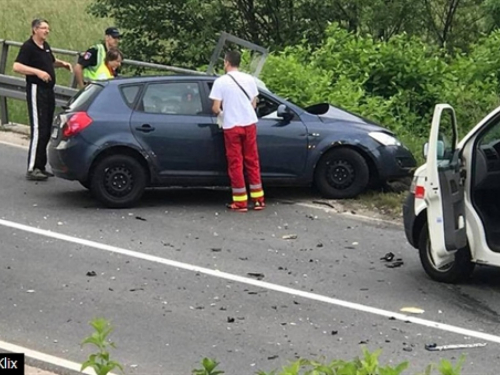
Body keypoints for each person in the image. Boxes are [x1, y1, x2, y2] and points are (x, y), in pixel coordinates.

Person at [13, 18, 73, 181]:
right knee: (38, 129)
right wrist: (37, 72)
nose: (47, 31)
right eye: (43, 28)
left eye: (48, 28)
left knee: (46, 128)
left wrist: (63, 64)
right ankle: (32, 168)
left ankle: (41, 166)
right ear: (35, 30)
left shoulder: (45, 47)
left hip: (48, 90)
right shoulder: (28, 47)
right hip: (36, 89)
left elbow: (50, 62)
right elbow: (17, 66)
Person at [209, 50, 265, 212]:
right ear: (239, 62)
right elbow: (253, 104)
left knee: (236, 163)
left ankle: (240, 202)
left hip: (232, 126)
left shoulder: (221, 82)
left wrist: (222, 114)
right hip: (249, 124)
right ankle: (258, 200)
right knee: (252, 161)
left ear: (226, 62)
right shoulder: (250, 80)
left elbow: (215, 107)